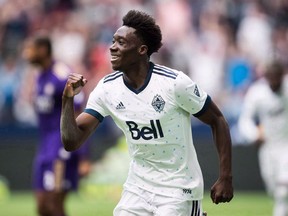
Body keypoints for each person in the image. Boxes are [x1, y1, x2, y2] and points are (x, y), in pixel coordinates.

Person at [61, 10, 233, 216]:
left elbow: (218, 120)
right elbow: (72, 142)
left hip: (178, 189)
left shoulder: (174, 83)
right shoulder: (107, 89)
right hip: (137, 188)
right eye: (113, 41)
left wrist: (226, 177)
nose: (112, 47)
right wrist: (67, 99)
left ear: (142, 50)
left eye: (121, 43)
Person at [23, 35, 91, 216]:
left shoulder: (61, 75)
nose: (25, 54)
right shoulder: (39, 76)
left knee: (54, 204)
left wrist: (83, 156)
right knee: (42, 207)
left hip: (61, 148)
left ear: (43, 50)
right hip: (45, 146)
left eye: (29, 49)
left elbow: (78, 114)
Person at [238, 61, 288, 216]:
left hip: (286, 145)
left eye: (277, 77)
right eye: (270, 77)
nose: (274, 81)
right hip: (267, 147)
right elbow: (244, 120)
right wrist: (254, 134)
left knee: (283, 191)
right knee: (274, 190)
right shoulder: (257, 93)